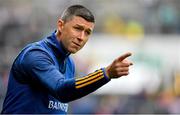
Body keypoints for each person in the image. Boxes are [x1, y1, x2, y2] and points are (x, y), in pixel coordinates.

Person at [1, 5, 133, 114]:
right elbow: (62, 90)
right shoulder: (35, 54)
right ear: (60, 25)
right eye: (78, 28)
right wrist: (106, 73)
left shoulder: (69, 63)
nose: (81, 37)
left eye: (87, 32)